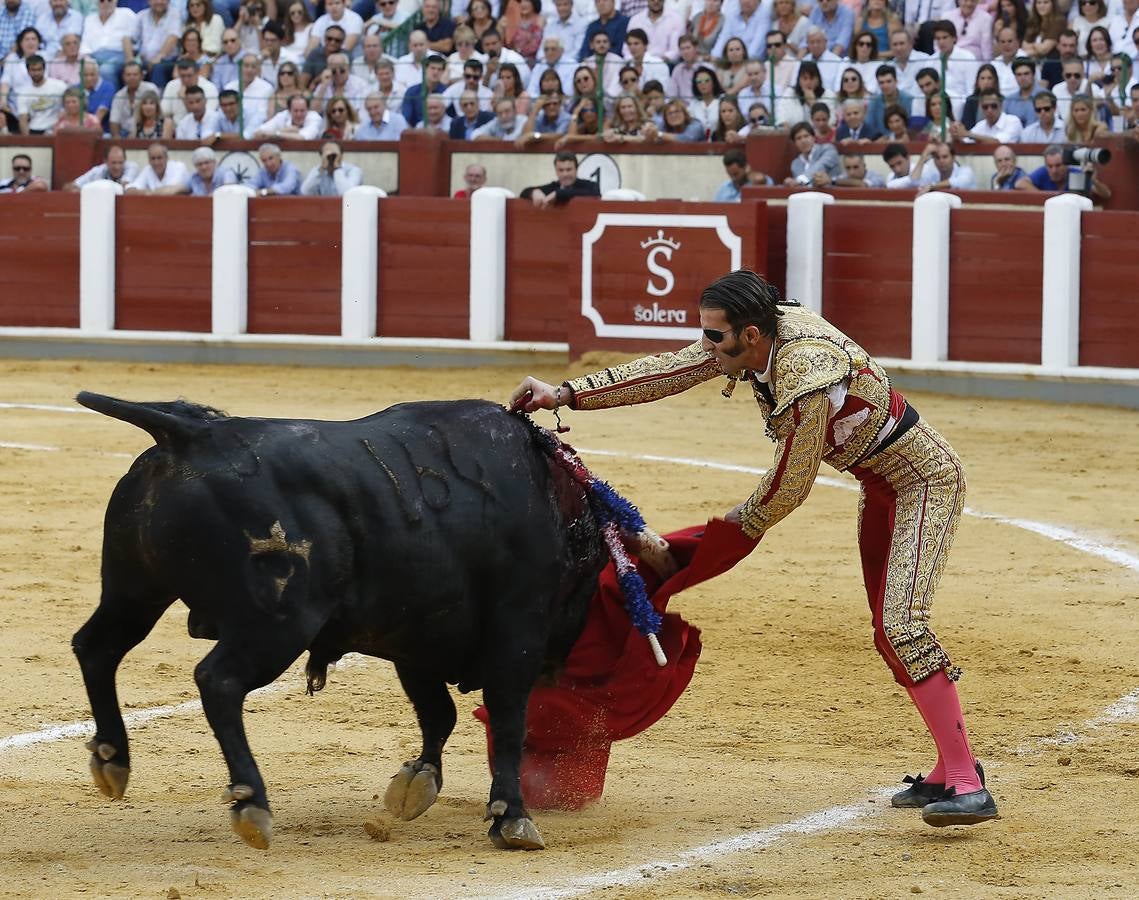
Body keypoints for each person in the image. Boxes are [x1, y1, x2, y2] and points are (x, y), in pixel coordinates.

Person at [510, 269, 1001, 829]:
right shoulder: (754, 338)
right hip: (880, 484)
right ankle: (949, 765)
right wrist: (568, 394)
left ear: (749, 335)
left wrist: (734, 526)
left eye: (715, 336)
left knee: (902, 627)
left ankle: (967, 782)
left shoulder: (804, 369)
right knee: (889, 631)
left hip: (923, 483)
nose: (707, 345)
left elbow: (793, 480)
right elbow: (672, 368)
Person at [521, 150, 600, 207]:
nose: (565, 174)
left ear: (576, 169)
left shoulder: (589, 186)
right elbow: (524, 193)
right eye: (561, 170)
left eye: (569, 169)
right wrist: (534, 192)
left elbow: (595, 194)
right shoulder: (553, 187)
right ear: (556, 170)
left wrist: (559, 194)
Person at [783, 121, 842, 188]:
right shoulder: (795, 164)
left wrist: (799, 180)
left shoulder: (829, 149)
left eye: (806, 136)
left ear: (814, 138)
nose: (803, 141)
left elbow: (821, 165)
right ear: (794, 143)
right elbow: (801, 186)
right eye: (798, 138)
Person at [109, 60, 159, 138]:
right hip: (124, 133)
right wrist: (117, 138)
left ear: (142, 76)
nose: (132, 77)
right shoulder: (118, 95)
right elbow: (114, 120)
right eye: (128, 75)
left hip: (145, 130)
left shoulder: (150, 89)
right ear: (123, 77)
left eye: (135, 74)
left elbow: (157, 114)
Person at [951, 88, 1022, 142]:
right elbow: (967, 141)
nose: (989, 110)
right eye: (985, 107)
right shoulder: (980, 125)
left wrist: (967, 134)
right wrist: (957, 134)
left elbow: (998, 142)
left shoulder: (1013, 121)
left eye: (993, 106)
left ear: (1001, 106)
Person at [63, 144, 140, 191]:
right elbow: (69, 187)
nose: (117, 167)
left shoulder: (132, 167)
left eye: (120, 162)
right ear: (105, 161)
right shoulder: (98, 170)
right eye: (113, 163)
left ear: (125, 160)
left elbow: (124, 187)